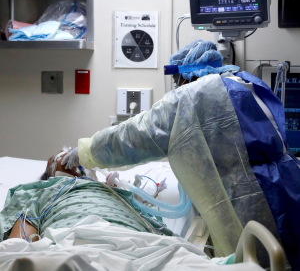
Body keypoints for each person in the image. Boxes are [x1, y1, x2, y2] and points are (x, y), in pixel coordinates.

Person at [61, 40, 300, 269]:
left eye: (176, 78)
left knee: (263, 262)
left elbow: (132, 136)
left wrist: (84, 152)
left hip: (251, 200)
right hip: (288, 184)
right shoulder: (244, 81)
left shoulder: (193, 96)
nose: (175, 85)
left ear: (184, 74)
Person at [0, 151, 174, 244]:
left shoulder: (123, 195)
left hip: (137, 245)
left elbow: (156, 230)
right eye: (59, 156)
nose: (65, 153)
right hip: (71, 245)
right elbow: (17, 248)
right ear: (52, 174)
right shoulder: (42, 193)